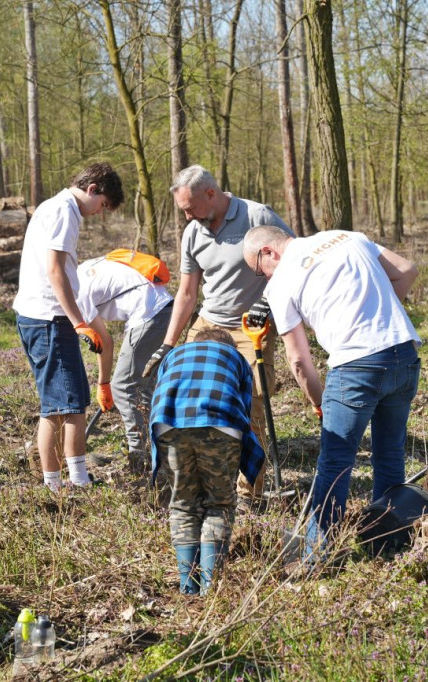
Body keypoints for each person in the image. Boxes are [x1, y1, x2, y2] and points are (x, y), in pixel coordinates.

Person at [242, 225, 421, 561]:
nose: (262, 278)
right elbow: (407, 271)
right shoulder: (345, 237)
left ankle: (316, 552)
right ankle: (386, 541)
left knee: (335, 461)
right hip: (403, 352)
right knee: (390, 454)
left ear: (269, 252)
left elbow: (298, 360)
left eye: (258, 269)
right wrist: (372, 310)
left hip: (355, 367)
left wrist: (317, 401)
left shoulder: (280, 283)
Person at [142, 165, 293, 509]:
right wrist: (167, 344)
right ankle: (194, 480)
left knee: (252, 404)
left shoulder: (257, 216)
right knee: (189, 396)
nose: (187, 216)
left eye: (190, 207)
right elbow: (187, 293)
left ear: (210, 194)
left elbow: (291, 261)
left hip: (251, 326)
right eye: (182, 210)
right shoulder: (193, 232)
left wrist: (266, 303)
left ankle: (248, 495)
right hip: (209, 323)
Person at [13, 162, 124, 491]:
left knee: (64, 404)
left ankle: (64, 481)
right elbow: (55, 271)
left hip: (43, 317)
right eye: (102, 205)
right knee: (67, 405)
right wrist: (78, 322)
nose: (99, 213)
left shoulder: (54, 207)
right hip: (49, 319)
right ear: (92, 189)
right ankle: (70, 484)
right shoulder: (65, 211)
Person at [149, 328, 264, 595]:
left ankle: (187, 586)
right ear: (229, 345)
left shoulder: (175, 354)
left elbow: (161, 392)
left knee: (183, 505)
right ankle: (211, 588)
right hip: (220, 424)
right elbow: (245, 408)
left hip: (169, 424)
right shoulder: (237, 359)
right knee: (219, 502)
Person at [75, 253, 174, 471]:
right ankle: (157, 453)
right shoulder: (84, 269)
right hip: (164, 310)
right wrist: (104, 385)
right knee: (143, 388)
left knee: (124, 387)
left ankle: (140, 458)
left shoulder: (76, 292)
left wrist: (104, 385)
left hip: (150, 315)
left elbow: (105, 342)